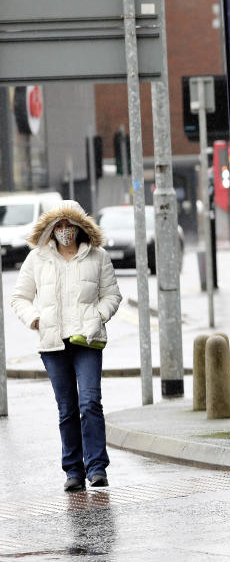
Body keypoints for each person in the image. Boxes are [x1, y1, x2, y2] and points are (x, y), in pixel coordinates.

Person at [11, 200, 122, 492]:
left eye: (68, 225)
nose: (64, 231)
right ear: (50, 228)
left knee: (90, 402)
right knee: (67, 409)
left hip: (88, 340)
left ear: (79, 227)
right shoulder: (37, 258)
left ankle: (97, 468)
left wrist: (99, 315)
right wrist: (35, 319)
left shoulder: (98, 257)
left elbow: (112, 295)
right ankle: (73, 470)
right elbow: (19, 297)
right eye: (58, 226)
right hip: (52, 343)